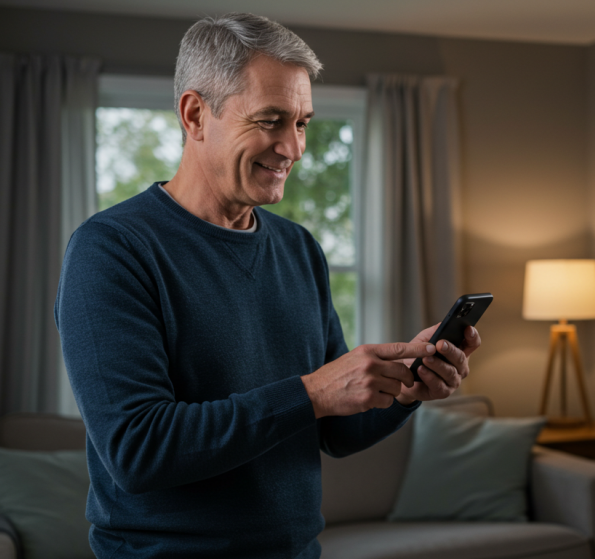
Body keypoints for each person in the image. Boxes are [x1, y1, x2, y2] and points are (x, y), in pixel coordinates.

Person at [55, 12, 480, 558]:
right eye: (270, 120)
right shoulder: (110, 249)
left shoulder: (299, 249)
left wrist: (405, 389)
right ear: (194, 115)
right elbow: (138, 451)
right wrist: (312, 391)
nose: (294, 148)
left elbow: (335, 432)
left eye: (301, 122)